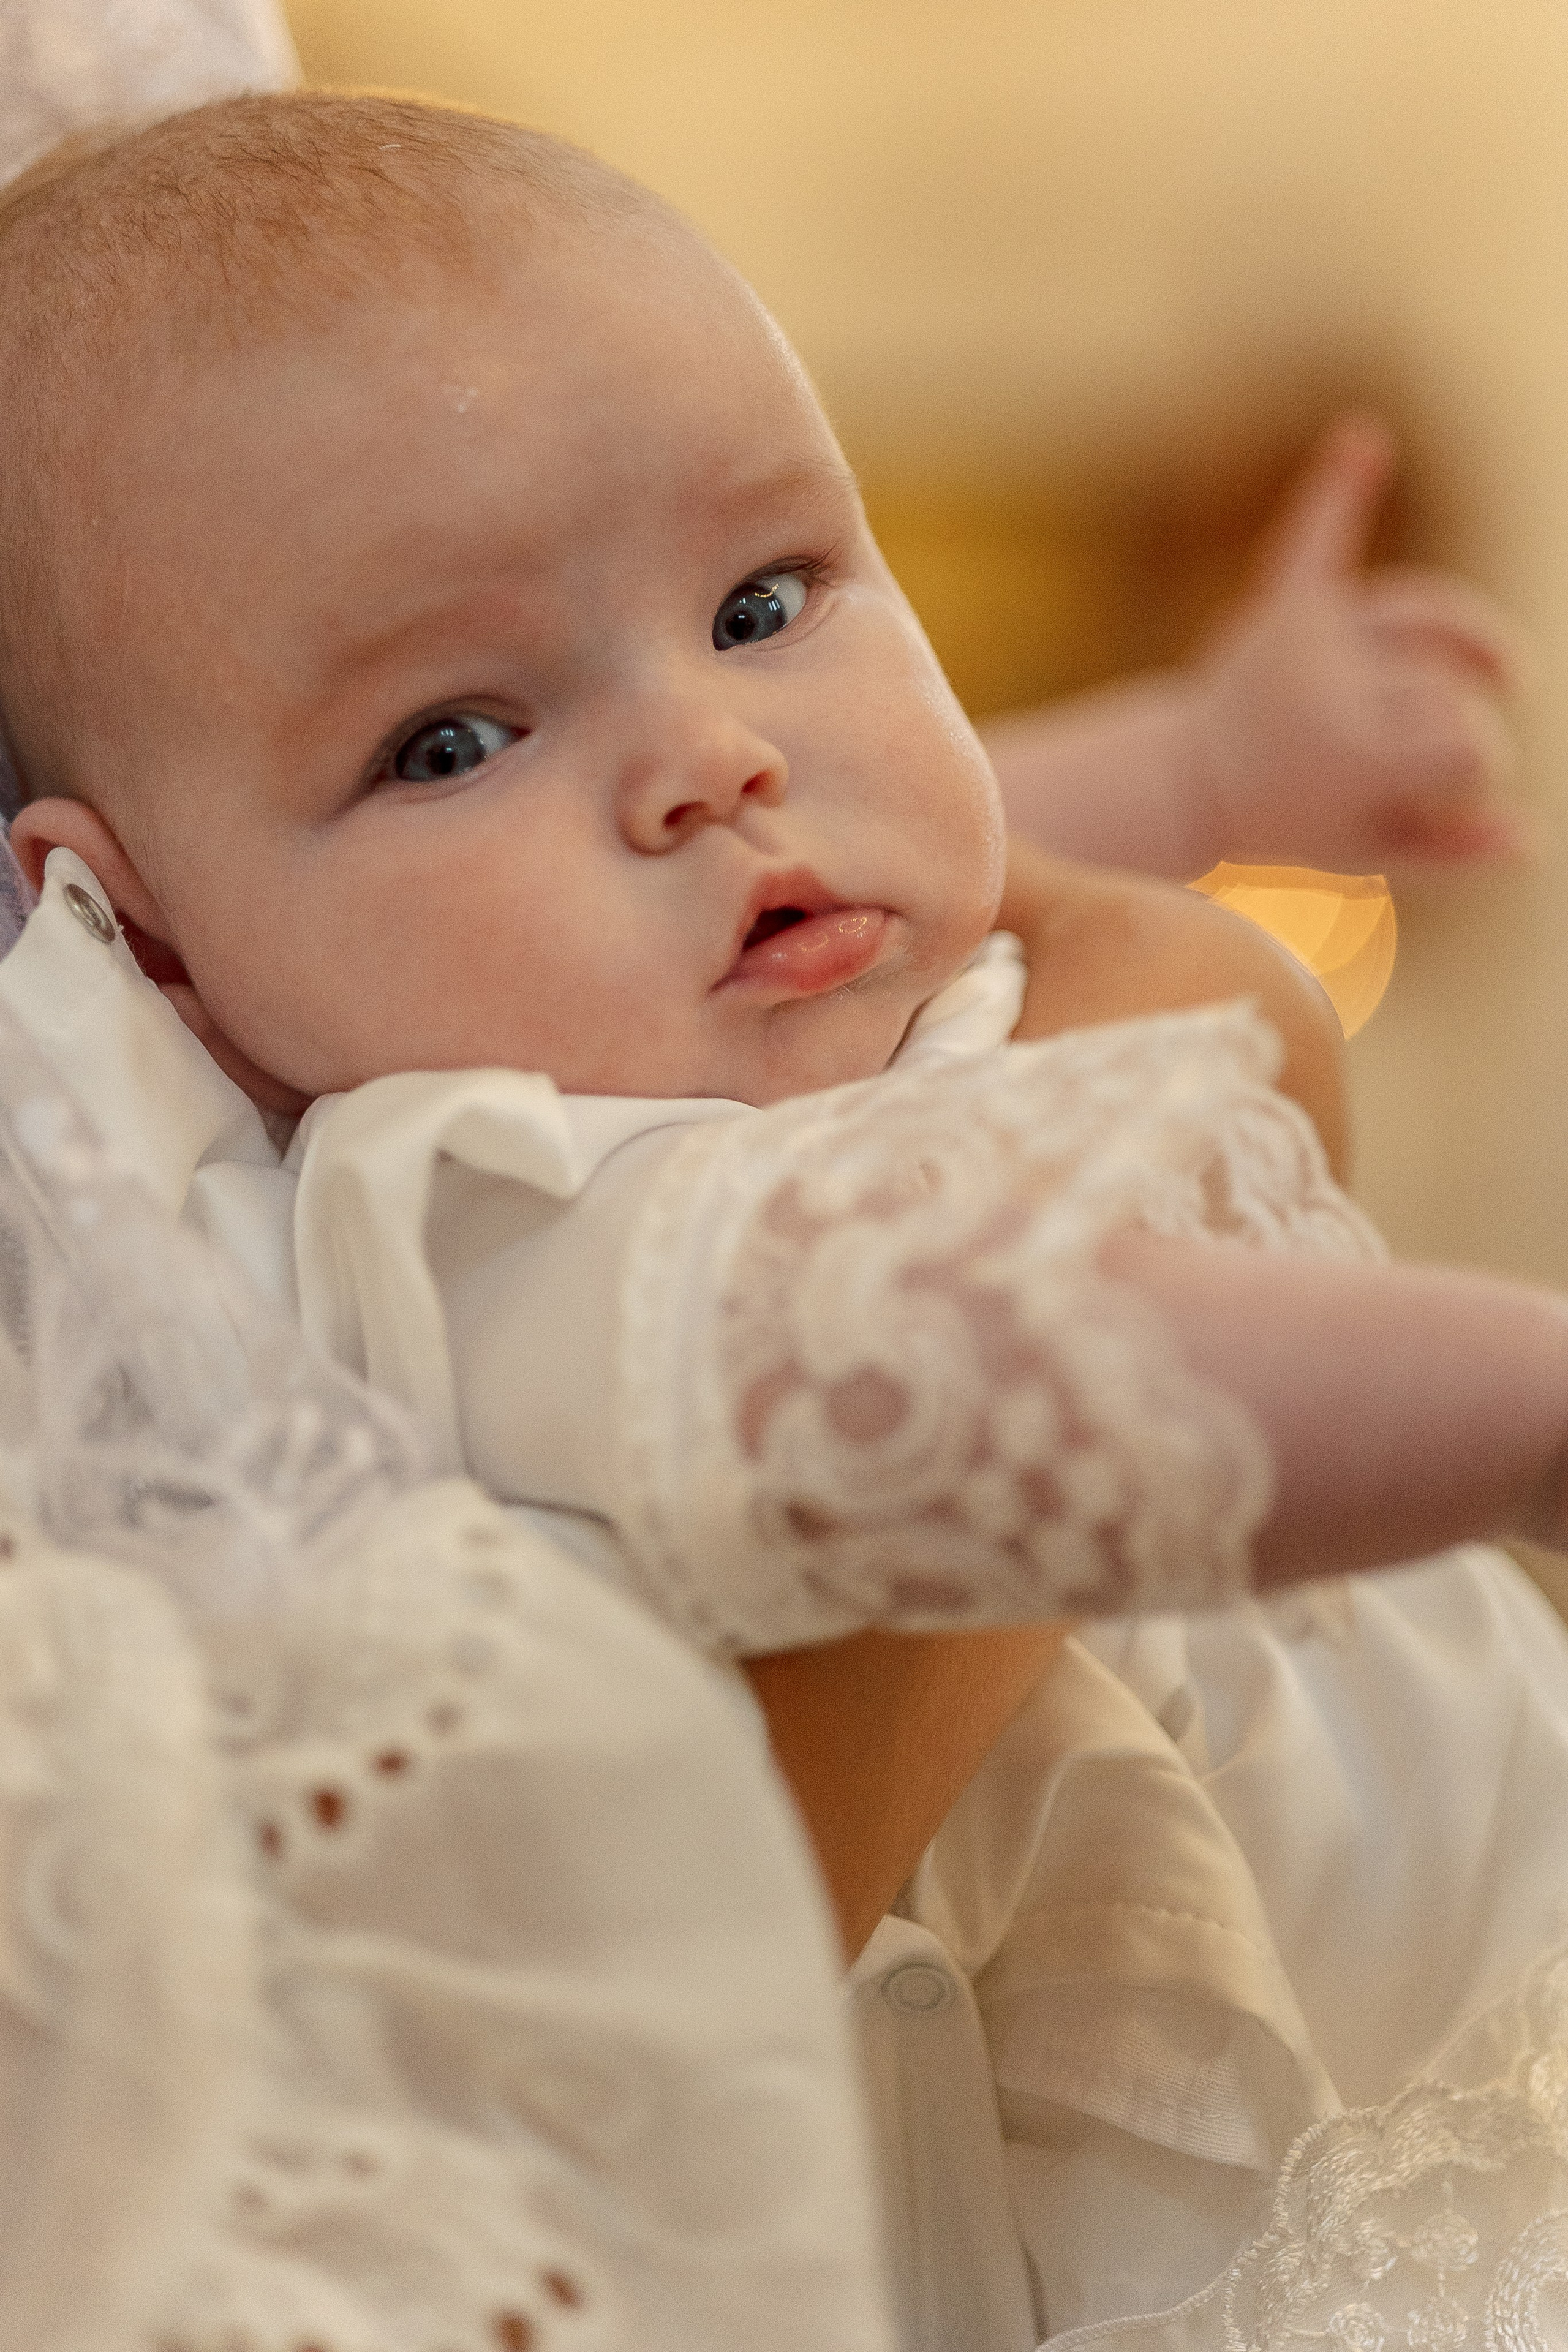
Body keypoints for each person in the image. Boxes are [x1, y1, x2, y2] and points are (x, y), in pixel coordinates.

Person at [5, 81, 1568, 2351]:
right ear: (148, 950)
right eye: (452, 740)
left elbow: (884, 829)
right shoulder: (481, 1197)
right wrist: (1532, 1408)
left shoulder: (704, 964)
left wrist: (1208, 763)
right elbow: (1026, 1358)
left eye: (766, 595)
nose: (707, 758)